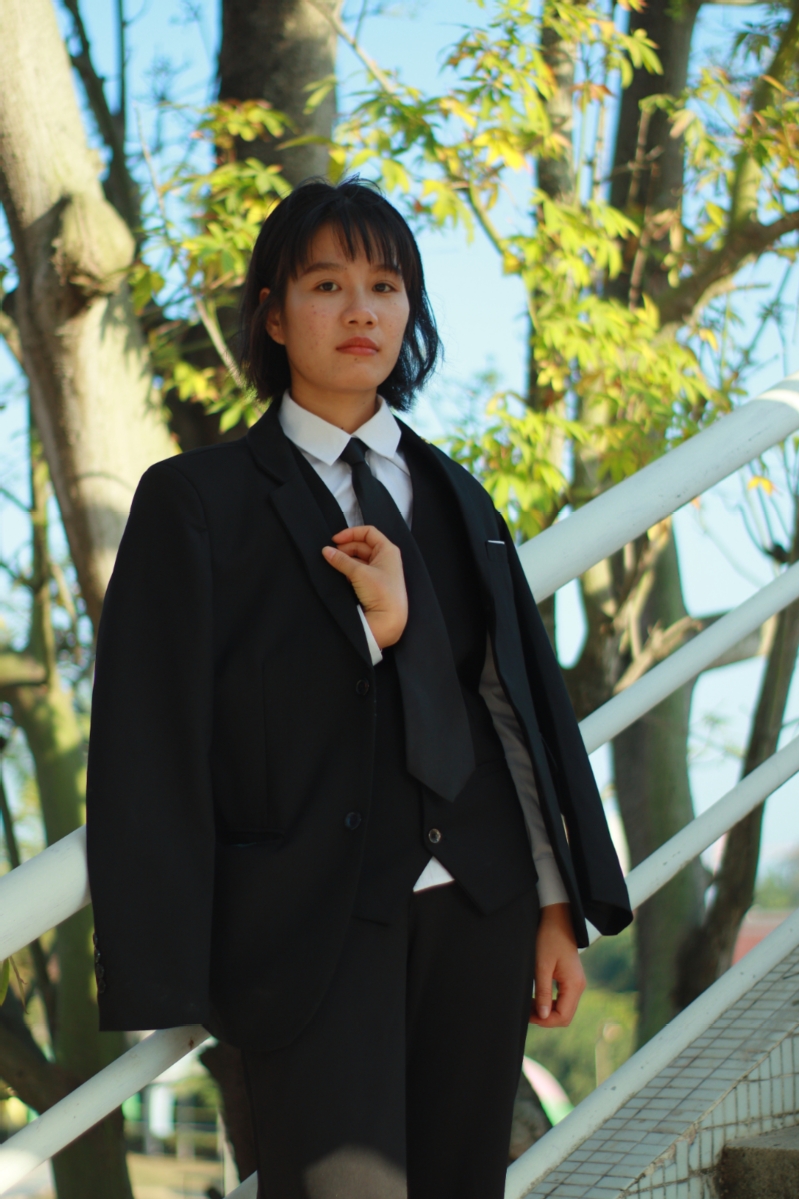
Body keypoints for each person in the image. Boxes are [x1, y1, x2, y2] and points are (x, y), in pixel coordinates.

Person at [86, 178, 631, 1199]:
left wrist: (555, 905)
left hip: (483, 907)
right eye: (327, 284)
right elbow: (150, 734)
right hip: (307, 927)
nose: (360, 310)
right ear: (273, 314)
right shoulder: (194, 502)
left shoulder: (459, 495)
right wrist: (373, 636)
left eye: (385, 286)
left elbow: (508, 705)